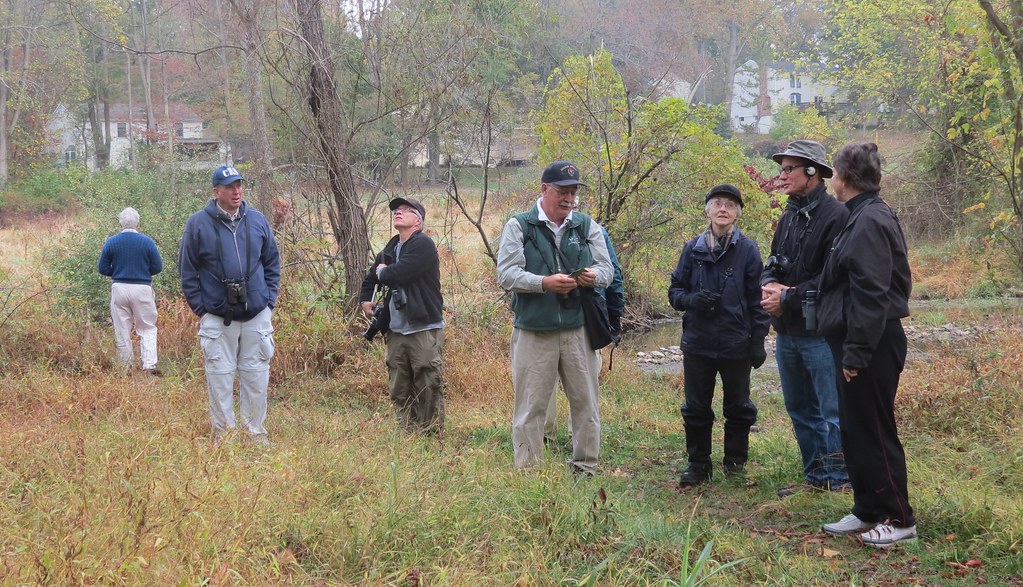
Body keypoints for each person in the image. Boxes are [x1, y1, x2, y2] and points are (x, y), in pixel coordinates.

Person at [817, 142, 916, 547]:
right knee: (856, 430)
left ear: (846, 177)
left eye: (835, 172)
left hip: (872, 342)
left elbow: (871, 293)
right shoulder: (857, 216)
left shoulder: (871, 220)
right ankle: (867, 510)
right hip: (857, 340)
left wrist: (857, 351)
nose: (832, 179)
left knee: (875, 430)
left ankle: (899, 518)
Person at [496, 160, 613, 476]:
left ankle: (585, 468)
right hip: (534, 331)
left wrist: (592, 276)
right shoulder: (519, 226)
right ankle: (529, 471)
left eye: (574, 192)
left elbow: (608, 269)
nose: (569, 198)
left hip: (579, 331)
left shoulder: (587, 226)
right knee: (531, 407)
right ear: (544, 189)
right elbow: (506, 274)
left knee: (586, 404)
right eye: (563, 191)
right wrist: (543, 283)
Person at [761, 140, 851, 495]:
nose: (781, 176)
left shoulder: (838, 216)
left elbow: (832, 278)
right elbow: (772, 263)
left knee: (831, 412)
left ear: (812, 172)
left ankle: (840, 481)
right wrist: (769, 288)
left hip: (821, 334)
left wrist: (788, 297)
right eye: (781, 169)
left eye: (788, 169)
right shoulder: (788, 216)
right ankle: (817, 479)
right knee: (800, 409)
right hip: (787, 333)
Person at [668, 184, 770, 486]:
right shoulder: (693, 249)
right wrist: (690, 300)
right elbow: (675, 292)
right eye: (717, 204)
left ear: (737, 213)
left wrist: (758, 341)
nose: (723, 209)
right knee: (696, 408)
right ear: (707, 210)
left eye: (730, 204)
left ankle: (735, 464)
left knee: (738, 406)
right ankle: (698, 466)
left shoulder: (748, 250)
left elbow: (758, 300)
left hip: (735, 342)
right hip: (698, 342)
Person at [179, 165, 281, 445]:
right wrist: (202, 308)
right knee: (220, 377)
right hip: (217, 315)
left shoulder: (257, 220)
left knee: (256, 376)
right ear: (216, 192)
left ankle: (254, 434)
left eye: (239, 185)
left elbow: (271, 261)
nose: (237, 191)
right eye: (230, 187)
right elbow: (188, 270)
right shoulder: (197, 223)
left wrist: (268, 300)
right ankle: (224, 435)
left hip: (256, 314)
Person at [359, 197, 445, 434]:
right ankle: (407, 432)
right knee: (399, 384)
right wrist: (366, 300)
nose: (398, 212)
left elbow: (400, 273)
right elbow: (371, 278)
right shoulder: (389, 249)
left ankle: (430, 433)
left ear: (418, 220)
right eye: (396, 210)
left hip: (423, 326)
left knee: (427, 381)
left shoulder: (423, 245)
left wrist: (385, 272)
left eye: (406, 210)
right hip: (395, 330)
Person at [543, 222, 625, 443]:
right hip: (586, 314)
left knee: (546, 380)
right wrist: (615, 316)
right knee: (584, 382)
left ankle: (546, 436)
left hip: (552, 317)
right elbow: (614, 274)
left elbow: (612, 273)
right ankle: (577, 436)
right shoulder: (591, 229)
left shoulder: (534, 229)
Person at [97, 207, 163, 375]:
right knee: (147, 327)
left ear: (120, 224)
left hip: (119, 287)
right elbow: (157, 267)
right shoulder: (147, 242)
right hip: (142, 288)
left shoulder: (112, 242)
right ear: (138, 223)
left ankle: (125, 366)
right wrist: (142, 272)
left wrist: (119, 273)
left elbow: (103, 268)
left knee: (122, 328)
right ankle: (149, 366)